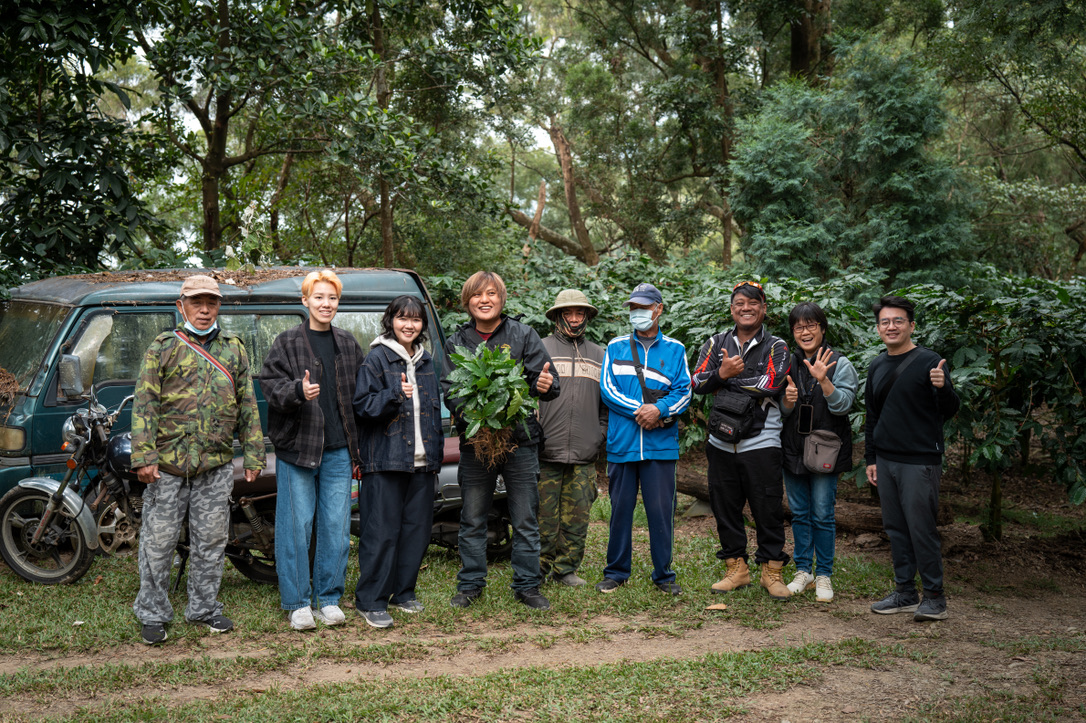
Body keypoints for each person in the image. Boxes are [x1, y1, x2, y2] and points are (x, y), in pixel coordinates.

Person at [131, 274, 265, 645]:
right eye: (196, 302)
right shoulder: (162, 347)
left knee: (210, 541)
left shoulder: (234, 349)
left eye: (211, 302)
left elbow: (247, 407)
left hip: (215, 465)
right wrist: (144, 456)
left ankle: (204, 608)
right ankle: (153, 612)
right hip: (167, 467)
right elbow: (145, 405)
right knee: (158, 543)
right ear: (181, 306)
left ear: (219, 306)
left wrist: (254, 453)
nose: (204, 310)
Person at [441, 271, 560, 610]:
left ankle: (527, 586)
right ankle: (470, 585)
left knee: (524, 518)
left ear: (501, 299)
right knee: (473, 517)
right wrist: (480, 419)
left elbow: (549, 383)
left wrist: (543, 386)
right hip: (476, 442)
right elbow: (452, 392)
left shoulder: (523, 335)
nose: (485, 300)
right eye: (478, 295)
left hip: (520, 441)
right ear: (468, 302)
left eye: (492, 293)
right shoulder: (457, 342)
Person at [260, 270, 363, 631]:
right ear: (305, 301)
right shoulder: (286, 342)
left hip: (338, 451)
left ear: (338, 303)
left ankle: (329, 598)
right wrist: (297, 392)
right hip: (298, 450)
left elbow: (360, 396)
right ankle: (298, 602)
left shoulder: (348, 344)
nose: (326, 304)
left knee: (335, 526)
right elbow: (270, 388)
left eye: (332, 298)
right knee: (296, 527)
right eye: (318, 297)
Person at [691, 281, 792, 599]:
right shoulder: (715, 342)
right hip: (720, 441)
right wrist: (720, 374)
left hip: (762, 441)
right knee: (725, 507)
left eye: (752, 303)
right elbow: (696, 381)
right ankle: (736, 569)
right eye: (739, 303)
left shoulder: (777, 346)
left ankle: (771, 571)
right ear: (732, 309)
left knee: (768, 507)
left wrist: (727, 378)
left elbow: (773, 383)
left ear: (763, 308)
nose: (745, 308)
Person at [865, 295, 960, 622]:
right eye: (885, 322)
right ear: (878, 328)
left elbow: (950, 410)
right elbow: (872, 416)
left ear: (911, 325)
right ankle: (905, 592)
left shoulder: (929, 361)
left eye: (898, 321)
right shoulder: (877, 365)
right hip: (886, 460)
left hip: (920, 461)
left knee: (921, 528)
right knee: (895, 528)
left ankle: (935, 597)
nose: (891, 326)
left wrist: (942, 388)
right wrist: (871, 458)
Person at [353, 295, 444, 628]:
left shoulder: (426, 360)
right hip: (386, 461)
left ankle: (403, 593)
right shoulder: (376, 359)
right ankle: (371, 600)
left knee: (416, 533)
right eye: (403, 318)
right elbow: (362, 407)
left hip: (422, 462)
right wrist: (393, 396)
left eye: (416, 319)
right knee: (381, 533)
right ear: (390, 320)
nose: (410, 325)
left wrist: (434, 458)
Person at [596, 282, 691, 595]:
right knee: (620, 512)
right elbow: (608, 391)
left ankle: (664, 576)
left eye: (644, 307)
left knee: (661, 514)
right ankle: (616, 573)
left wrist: (660, 409)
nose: (638, 313)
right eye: (633, 308)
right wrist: (643, 410)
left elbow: (684, 391)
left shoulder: (676, 350)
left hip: (660, 447)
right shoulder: (616, 346)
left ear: (658, 309)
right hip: (622, 445)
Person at [779, 302, 859, 603]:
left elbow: (843, 406)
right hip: (794, 449)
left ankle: (823, 573)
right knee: (800, 513)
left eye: (811, 325)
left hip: (826, 450)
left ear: (822, 329)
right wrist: (787, 401)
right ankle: (804, 570)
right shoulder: (787, 362)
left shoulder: (840, 363)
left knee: (823, 514)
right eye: (799, 326)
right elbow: (781, 411)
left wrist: (824, 379)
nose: (805, 331)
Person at [537, 289, 607, 587]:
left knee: (577, 517)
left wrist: (598, 435)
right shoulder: (540, 348)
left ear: (587, 317)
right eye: (569, 313)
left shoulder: (600, 354)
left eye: (580, 313)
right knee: (542, 517)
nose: (575, 319)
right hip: (545, 450)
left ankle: (565, 569)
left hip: (584, 452)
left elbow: (608, 405)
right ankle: (536, 569)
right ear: (557, 316)